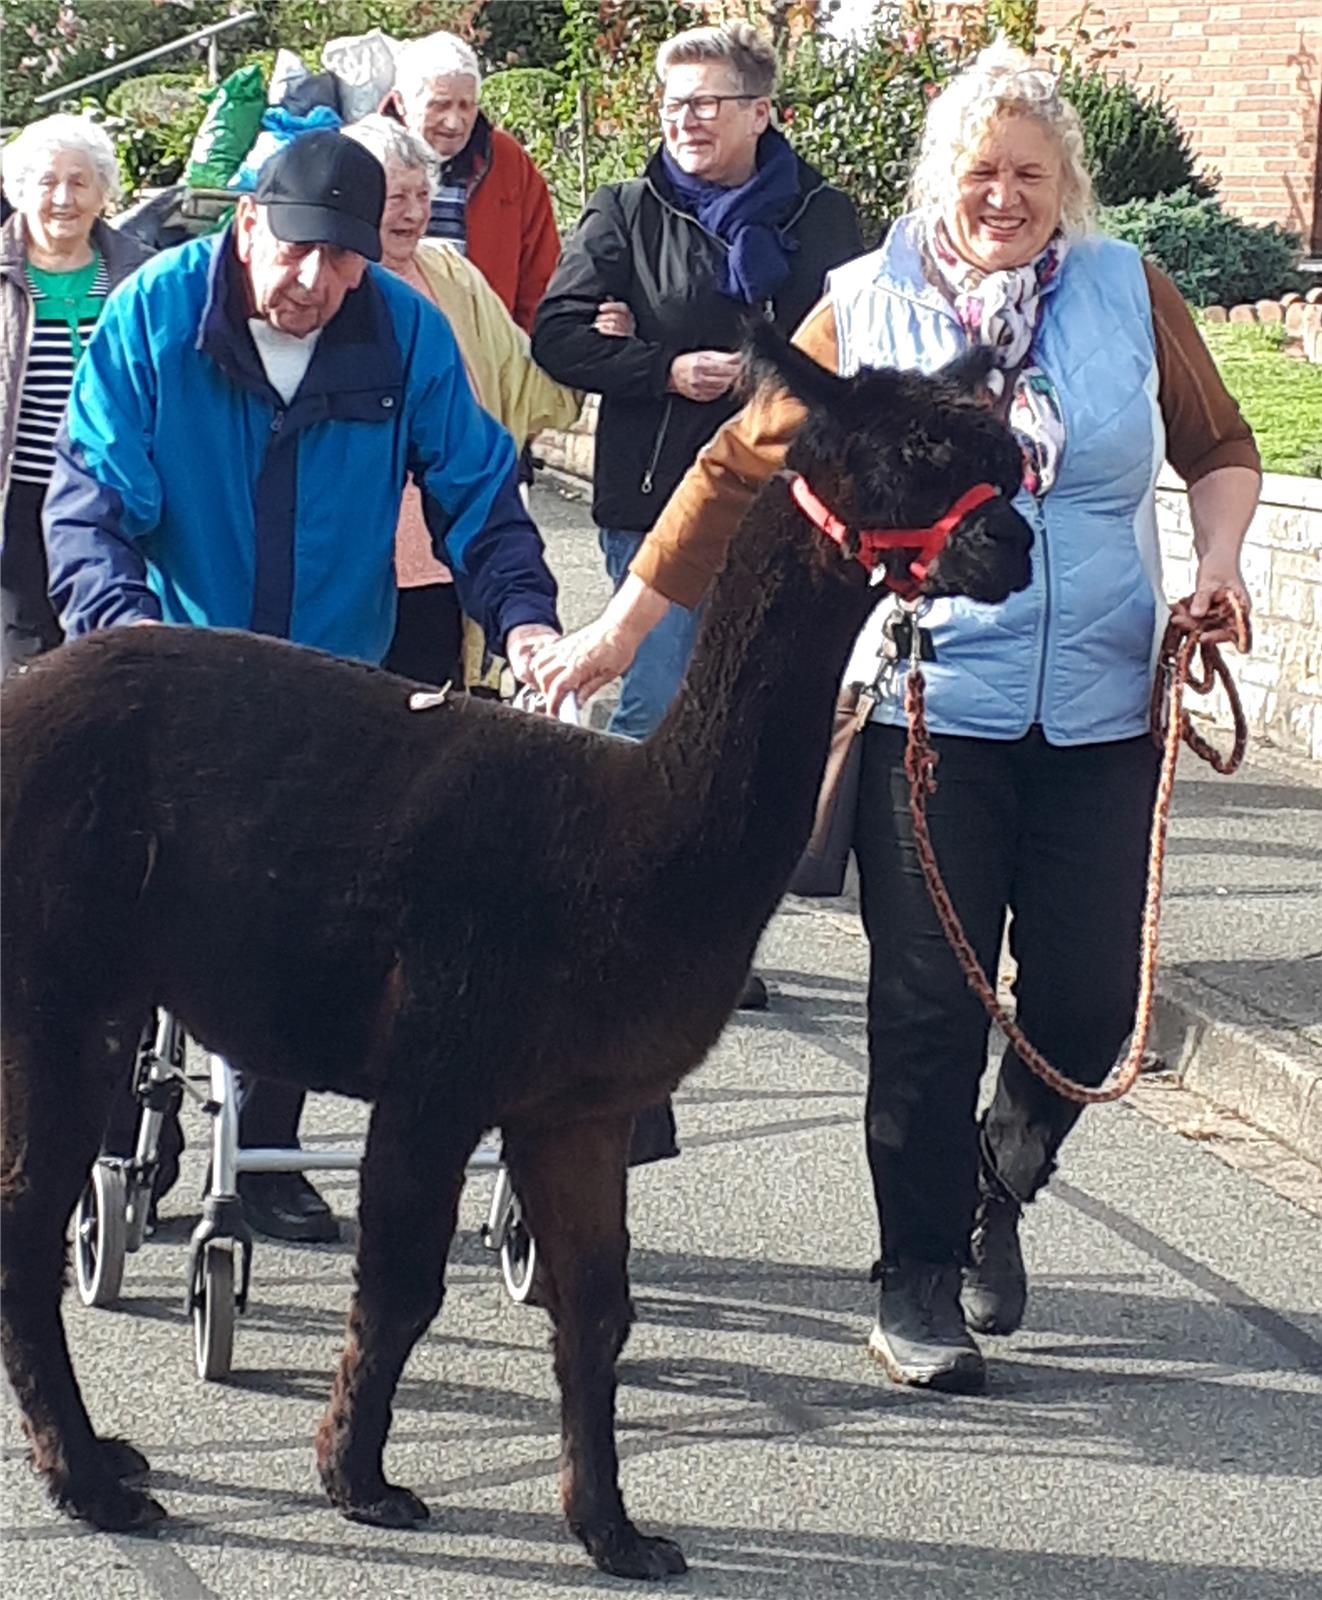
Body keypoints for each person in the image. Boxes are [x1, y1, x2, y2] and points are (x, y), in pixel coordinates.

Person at [530, 45, 1262, 1392]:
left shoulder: (1126, 290)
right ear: (940, 179)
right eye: (981, 173)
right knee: (929, 999)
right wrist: (619, 634)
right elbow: (732, 470)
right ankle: (915, 1277)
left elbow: (1218, 448)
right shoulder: (864, 308)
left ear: (1067, 184)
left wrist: (1217, 567)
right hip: (931, 705)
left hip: (1105, 696)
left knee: (1092, 1008)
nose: (1006, 198)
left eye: (1032, 175)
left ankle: (997, 1184)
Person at [47, 130, 565, 1243]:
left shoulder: (401, 331)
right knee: (137, 902)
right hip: (184, 669)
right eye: (294, 254)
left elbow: (479, 490)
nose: (314, 283)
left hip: (332, 678)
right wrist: (128, 647)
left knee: (298, 919)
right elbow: (91, 505)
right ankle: (117, 1125)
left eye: (340, 263)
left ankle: (268, 1152)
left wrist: (524, 617)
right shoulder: (157, 316)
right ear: (246, 226)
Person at [531, 20, 863, 1011]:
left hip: (794, 514)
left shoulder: (820, 217)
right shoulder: (624, 212)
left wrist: (756, 375)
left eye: (705, 101)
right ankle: (623, 924)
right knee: (657, 707)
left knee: (751, 729)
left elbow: (846, 344)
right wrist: (661, 368)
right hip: (658, 502)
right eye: (671, 102)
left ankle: (715, 932)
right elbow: (557, 333)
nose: (683, 119)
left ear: (762, 112)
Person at [341, 115, 581, 689]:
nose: (413, 212)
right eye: (395, 196)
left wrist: (592, 347)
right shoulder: (330, 281)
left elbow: (518, 367)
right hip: (352, 558)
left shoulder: (450, 273)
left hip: (440, 548)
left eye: (422, 194)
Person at [2, 115, 150, 673]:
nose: (62, 198)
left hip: (113, 494)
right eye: (46, 181)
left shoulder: (138, 274)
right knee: (24, 663)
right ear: (19, 190)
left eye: (79, 181)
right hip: (19, 499)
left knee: (104, 653)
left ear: (103, 192)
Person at [385, 31, 560, 332]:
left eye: (466, 106)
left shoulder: (506, 160)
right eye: (440, 105)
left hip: (486, 350)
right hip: (392, 341)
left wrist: (523, 351)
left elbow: (541, 273)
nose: (455, 122)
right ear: (401, 103)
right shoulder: (369, 157)